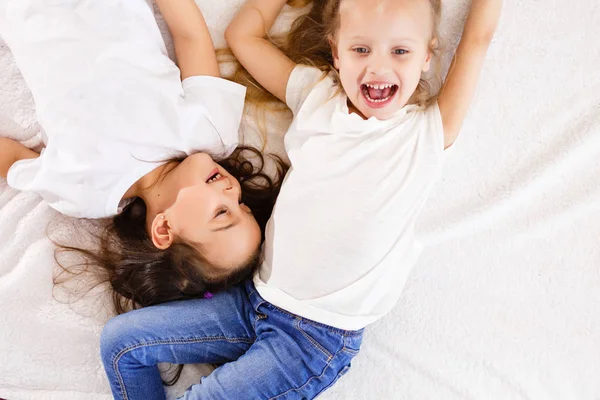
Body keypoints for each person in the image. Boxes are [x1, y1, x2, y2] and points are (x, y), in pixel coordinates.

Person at [99, 0, 503, 398]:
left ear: (428, 56)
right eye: (360, 49)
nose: (378, 67)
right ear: (336, 52)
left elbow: (477, 40)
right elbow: (243, 36)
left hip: (313, 338)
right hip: (253, 301)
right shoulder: (317, 97)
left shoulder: (426, 133)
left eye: (400, 51)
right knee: (121, 343)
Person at [0, 0, 285, 311]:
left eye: (221, 213)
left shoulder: (86, 193)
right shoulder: (210, 132)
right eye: (241, 204)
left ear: (163, 229)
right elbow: (189, 35)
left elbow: (11, 159)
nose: (232, 191)